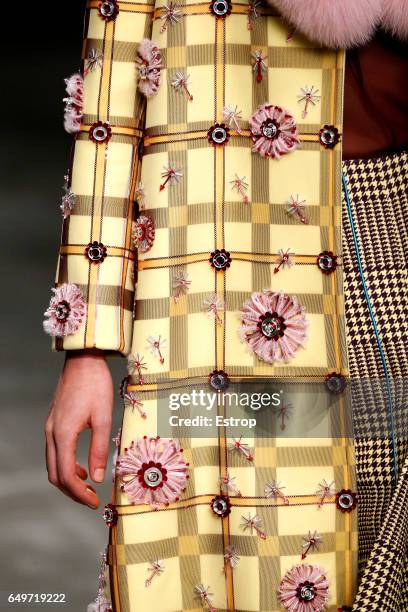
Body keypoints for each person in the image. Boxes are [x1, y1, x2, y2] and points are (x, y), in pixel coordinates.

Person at [43, 0, 408, 610]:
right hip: (235, 268)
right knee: (269, 565)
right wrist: (86, 347)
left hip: (388, 233)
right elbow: (108, 110)